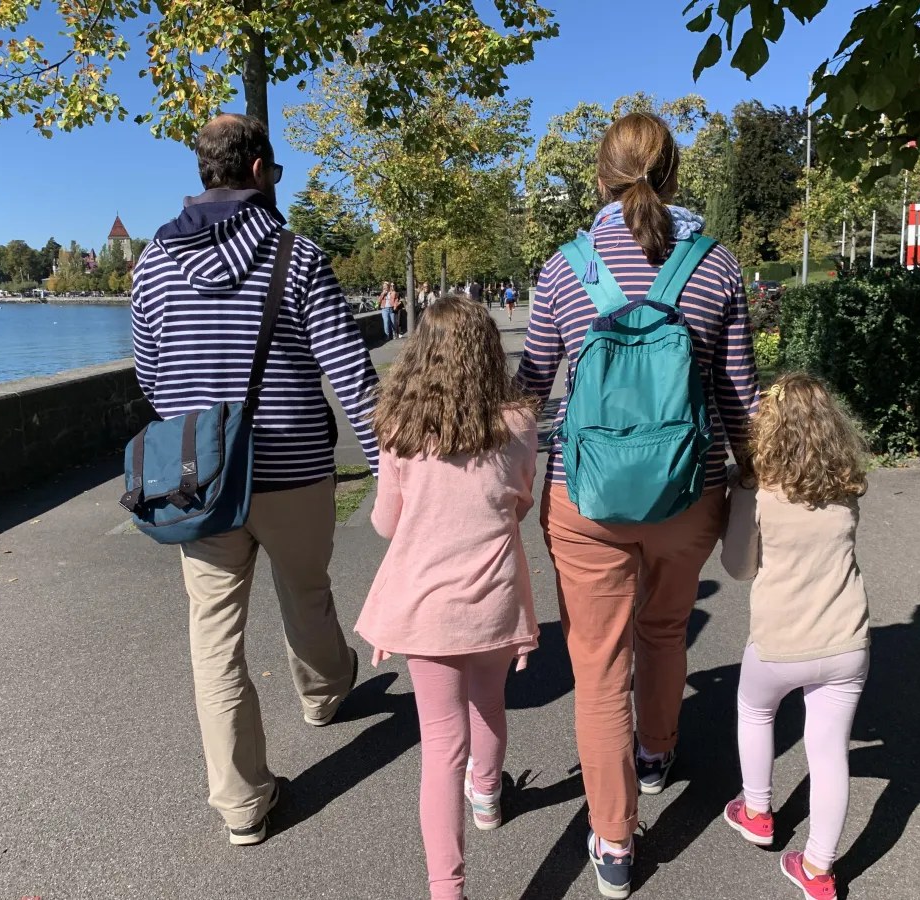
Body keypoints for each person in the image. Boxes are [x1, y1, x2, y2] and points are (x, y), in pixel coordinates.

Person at [516, 111, 758, 899]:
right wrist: (757, 480)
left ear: (600, 178)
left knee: (597, 667)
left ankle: (614, 842)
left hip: (585, 497)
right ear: (675, 175)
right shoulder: (717, 266)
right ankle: (657, 752)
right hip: (689, 492)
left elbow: (530, 387)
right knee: (663, 629)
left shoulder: (565, 270)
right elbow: (740, 397)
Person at [131, 113, 381, 846]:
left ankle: (242, 804)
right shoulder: (296, 257)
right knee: (306, 590)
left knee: (213, 635)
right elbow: (350, 374)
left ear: (203, 170)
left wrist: (196, 418)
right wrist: (390, 465)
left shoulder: (153, 263)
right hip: (293, 468)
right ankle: (324, 692)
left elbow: (149, 373)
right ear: (258, 169)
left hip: (200, 478)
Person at [356, 295, 540, 900]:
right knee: (490, 704)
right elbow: (518, 503)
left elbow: (387, 524)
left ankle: (447, 888)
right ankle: (487, 795)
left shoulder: (400, 430)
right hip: (494, 602)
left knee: (440, 744)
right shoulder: (517, 425)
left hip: (427, 609)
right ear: (488, 353)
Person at [719, 372, 871, 900]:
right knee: (829, 754)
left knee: (756, 711)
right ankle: (818, 870)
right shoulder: (847, 486)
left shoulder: (757, 492)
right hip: (847, 640)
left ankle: (757, 811)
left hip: (779, 640)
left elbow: (738, 567)